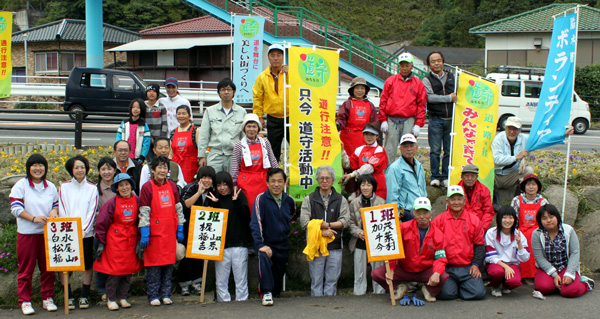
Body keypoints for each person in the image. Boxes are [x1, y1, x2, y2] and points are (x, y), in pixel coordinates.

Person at [372, 197, 449, 305]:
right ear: (413, 214)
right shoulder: (403, 228)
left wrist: (436, 272)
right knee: (377, 274)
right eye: (418, 213)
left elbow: (440, 258)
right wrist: (392, 268)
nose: (422, 216)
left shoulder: (438, 233)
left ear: (431, 214)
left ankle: (428, 289)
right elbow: (393, 249)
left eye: (425, 213)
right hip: (404, 269)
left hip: (425, 270)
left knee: (443, 276)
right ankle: (399, 287)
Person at [10, 154, 59, 315]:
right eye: (34, 165)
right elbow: (16, 208)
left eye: (41, 165)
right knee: (26, 269)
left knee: (48, 268)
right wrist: (33, 218)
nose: (38, 168)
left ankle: (47, 298)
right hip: (27, 234)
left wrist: (53, 211)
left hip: (47, 234)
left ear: (45, 168)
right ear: (28, 168)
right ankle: (25, 301)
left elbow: (56, 204)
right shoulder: (21, 185)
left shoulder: (50, 186)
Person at [138, 156, 186, 306]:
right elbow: (144, 211)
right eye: (159, 167)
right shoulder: (147, 187)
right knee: (154, 268)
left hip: (170, 232)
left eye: (164, 167)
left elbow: (178, 208)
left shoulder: (172, 186)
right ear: (152, 170)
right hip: (153, 235)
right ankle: (153, 295)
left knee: (168, 266)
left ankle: (166, 294)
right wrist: (144, 232)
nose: (162, 170)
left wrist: (180, 228)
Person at [54, 155, 99, 310]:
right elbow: (63, 208)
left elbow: (92, 211)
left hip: (86, 233)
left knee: (87, 263)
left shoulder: (93, 188)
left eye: (82, 167)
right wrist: (71, 229)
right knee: (66, 265)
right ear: (71, 170)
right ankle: (69, 296)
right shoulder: (64, 187)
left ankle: (84, 295)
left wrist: (83, 229)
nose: (80, 170)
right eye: (76, 167)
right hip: (67, 232)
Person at [94, 173, 144, 310]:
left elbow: (141, 220)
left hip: (131, 240)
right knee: (114, 272)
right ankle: (111, 298)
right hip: (114, 241)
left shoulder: (138, 201)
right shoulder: (112, 203)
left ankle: (123, 297)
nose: (124, 188)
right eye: (121, 185)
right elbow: (102, 223)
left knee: (127, 272)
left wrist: (140, 240)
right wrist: (101, 242)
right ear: (116, 188)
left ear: (131, 186)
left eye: (127, 184)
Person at [300, 165, 349, 297]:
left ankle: (330, 309)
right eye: (321, 178)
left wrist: (327, 225)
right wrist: (321, 232)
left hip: (335, 246)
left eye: (328, 177)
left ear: (333, 180)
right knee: (316, 280)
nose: (324, 180)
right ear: (317, 180)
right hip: (316, 246)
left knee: (332, 280)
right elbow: (304, 222)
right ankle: (316, 309)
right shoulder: (309, 199)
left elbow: (345, 221)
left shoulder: (341, 199)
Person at [250, 168, 295, 306]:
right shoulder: (261, 199)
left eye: (280, 181)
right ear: (267, 183)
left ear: (285, 182)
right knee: (263, 257)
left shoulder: (289, 200)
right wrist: (260, 245)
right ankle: (265, 292)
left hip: (282, 244)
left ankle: (270, 290)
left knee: (277, 287)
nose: (276, 184)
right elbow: (255, 224)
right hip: (266, 243)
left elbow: (291, 215)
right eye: (273, 181)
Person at [432, 186, 486, 300]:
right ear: (447, 202)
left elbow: (479, 244)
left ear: (464, 201)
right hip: (446, 268)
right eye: (453, 199)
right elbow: (434, 247)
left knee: (478, 293)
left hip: (467, 267)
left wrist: (476, 265)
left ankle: (460, 286)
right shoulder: (438, 220)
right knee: (446, 294)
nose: (456, 202)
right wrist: (438, 269)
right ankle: (455, 287)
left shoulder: (474, 220)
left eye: (459, 199)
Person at [206, 171, 252, 302]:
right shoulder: (213, 197)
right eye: (219, 185)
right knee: (221, 280)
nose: (222, 188)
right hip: (220, 246)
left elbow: (246, 216)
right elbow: (209, 222)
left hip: (239, 244)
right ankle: (223, 304)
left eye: (225, 184)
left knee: (241, 279)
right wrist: (215, 204)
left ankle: (242, 303)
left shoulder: (238, 195)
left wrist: (237, 202)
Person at [532, 204, 594, 298]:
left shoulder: (568, 230)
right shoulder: (536, 234)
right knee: (543, 287)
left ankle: (586, 284)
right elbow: (539, 257)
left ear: (557, 217)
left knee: (570, 292)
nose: (548, 220)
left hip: (566, 266)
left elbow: (575, 253)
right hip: (547, 268)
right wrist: (554, 274)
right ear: (540, 221)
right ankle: (557, 284)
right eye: (544, 218)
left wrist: (569, 273)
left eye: (551, 217)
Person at [378, 52, 426, 164]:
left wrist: (418, 124)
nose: (404, 68)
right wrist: (383, 120)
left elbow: (422, 105)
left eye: (407, 65)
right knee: (389, 149)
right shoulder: (390, 81)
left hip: (409, 119)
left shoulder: (418, 84)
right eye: (402, 65)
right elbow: (383, 101)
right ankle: (387, 175)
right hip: (391, 118)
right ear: (398, 66)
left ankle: (407, 172)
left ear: (412, 66)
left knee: (408, 149)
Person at [178, 166, 217, 295]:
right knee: (186, 256)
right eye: (204, 177)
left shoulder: (213, 192)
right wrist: (199, 193)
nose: (207, 181)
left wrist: (216, 204)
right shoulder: (191, 188)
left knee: (198, 255)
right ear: (198, 178)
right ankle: (184, 284)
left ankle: (196, 282)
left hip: (202, 230)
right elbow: (185, 204)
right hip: (187, 226)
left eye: (209, 178)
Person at [197, 78, 246, 173]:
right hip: (215, 154)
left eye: (229, 89)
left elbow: (243, 137)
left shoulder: (241, 112)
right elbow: (204, 135)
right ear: (219, 93)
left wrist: (244, 155)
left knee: (232, 183)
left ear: (234, 92)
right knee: (213, 182)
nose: (226, 92)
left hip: (234, 155)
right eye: (223, 89)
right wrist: (202, 156)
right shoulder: (210, 111)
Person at [422, 51, 456, 187]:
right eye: (433, 61)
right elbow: (430, 97)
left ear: (443, 62)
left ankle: (446, 176)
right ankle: (435, 176)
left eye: (439, 60)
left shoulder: (452, 76)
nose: (437, 63)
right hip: (436, 119)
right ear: (429, 65)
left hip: (451, 119)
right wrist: (448, 98)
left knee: (448, 150)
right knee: (435, 150)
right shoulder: (426, 79)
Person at [348, 174, 386, 295]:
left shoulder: (381, 202)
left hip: (377, 241)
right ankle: (359, 293)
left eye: (368, 185)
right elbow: (350, 222)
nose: (365, 187)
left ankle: (379, 291)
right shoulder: (354, 203)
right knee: (359, 271)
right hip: (360, 241)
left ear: (373, 187)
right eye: (363, 184)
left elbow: (385, 223)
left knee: (378, 269)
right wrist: (359, 232)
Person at [231, 113, 279, 209]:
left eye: (254, 126)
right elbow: (235, 167)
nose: (251, 129)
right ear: (244, 128)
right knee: (248, 207)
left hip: (263, 180)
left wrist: (279, 175)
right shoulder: (239, 145)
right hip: (245, 181)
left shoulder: (265, 142)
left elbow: (272, 160)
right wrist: (234, 184)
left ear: (258, 128)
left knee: (263, 207)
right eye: (248, 126)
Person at [252, 43, 289, 162]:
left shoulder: (290, 73)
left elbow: (299, 89)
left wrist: (288, 74)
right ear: (268, 57)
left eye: (279, 55)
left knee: (296, 147)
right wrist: (259, 116)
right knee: (273, 150)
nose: (276, 58)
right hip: (273, 118)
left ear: (283, 57)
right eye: (273, 55)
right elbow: (257, 97)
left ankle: (296, 176)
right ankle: (274, 176)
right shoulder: (262, 77)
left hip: (291, 116)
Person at [484, 206, 530, 297]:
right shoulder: (491, 233)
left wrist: (519, 243)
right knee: (496, 272)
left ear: (514, 219)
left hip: (512, 265)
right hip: (496, 264)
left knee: (514, 282)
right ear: (499, 219)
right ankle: (495, 286)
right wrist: (505, 267)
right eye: (504, 217)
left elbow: (525, 258)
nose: (507, 221)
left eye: (510, 217)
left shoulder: (518, 234)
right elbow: (490, 257)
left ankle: (506, 284)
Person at [510, 173, 548, 282]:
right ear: (524, 187)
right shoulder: (517, 200)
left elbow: (545, 219)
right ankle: (522, 274)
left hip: (537, 231)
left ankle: (536, 273)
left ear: (538, 187)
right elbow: (513, 219)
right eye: (528, 184)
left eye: (534, 184)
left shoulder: (543, 201)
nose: (531, 187)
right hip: (521, 230)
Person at [491, 116, 532, 205]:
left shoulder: (524, 138)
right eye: (509, 128)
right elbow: (497, 159)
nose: (512, 132)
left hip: (511, 175)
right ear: (505, 128)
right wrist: (516, 157)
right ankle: (493, 201)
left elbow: (541, 139)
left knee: (529, 171)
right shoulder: (498, 139)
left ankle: (522, 199)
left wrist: (563, 134)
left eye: (515, 129)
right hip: (496, 176)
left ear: (520, 130)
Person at [340, 123, 388, 199]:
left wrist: (353, 174)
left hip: (377, 187)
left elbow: (370, 168)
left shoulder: (380, 149)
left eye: (372, 134)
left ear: (377, 136)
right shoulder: (359, 149)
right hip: (363, 186)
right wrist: (342, 151)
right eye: (366, 134)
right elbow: (349, 164)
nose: (369, 137)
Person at [385, 133, 426, 222]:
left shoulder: (419, 166)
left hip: (421, 210)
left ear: (416, 147)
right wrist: (396, 217)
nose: (409, 149)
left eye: (411, 145)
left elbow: (423, 189)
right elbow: (392, 196)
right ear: (400, 148)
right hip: (406, 213)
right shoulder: (394, 168)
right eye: (405, 146)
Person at [336, 76, 378, 160]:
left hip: (365, 137)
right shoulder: (347, 104)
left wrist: (377, 137)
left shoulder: (370, 105)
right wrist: (337, 125)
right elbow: (341, 118)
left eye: (362, 88)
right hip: (348, 138)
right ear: (352, 90)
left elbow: (374, 123)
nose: (360, 91)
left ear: (365, 90)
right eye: (357, 88)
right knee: (347, 161)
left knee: (363, 160)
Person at [94, 157, 118, 301]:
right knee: (101, 261)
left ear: (115, 170)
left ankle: (117, 290)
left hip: (119, 231)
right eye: (103, 169)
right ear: (99, 171)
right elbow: (91, 211)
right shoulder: (94, 190)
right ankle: (102, 290)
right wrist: (106, 214)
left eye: (109, 169)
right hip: (101, 231)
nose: (107, 172)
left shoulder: (121, 186)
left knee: (117, 261)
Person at [457, 164, 494, 231]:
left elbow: (488, 212)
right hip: (460, 227)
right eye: (467, 176)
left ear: (477, 177)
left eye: (473, 176)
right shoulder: (456, 190)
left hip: (479, 226)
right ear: (462, 176)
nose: (470, 178)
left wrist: (482, 229)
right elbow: (451, 211)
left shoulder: (484, 190)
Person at [170, 105, 200, 183]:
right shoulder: (173, 132)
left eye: (184, 113)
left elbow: (201, 149)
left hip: (191, 166)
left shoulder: (195, 131)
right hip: (176, 165)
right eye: (179, 114)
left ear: (189, 116)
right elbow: (171, 152)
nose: (181, 116)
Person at [116, 98, 151, 164]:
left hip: (137, 157)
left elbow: (146, 143)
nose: (135, 109)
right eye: (133, 107)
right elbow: (118, 138)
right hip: (124, 156)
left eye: (138, 107)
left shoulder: (144, 125)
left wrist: (142, 156)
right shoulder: (124, 123)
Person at [144, 83, 168, 163]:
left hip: (158, 138)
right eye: (149, 91)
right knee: (149, 160)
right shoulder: (143, 106)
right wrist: (148, 137)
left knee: (159, 160)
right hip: (146, 138)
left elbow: (164, 123)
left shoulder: (161, 107)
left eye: (154, 91)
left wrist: (161, 139)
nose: (151, 93)